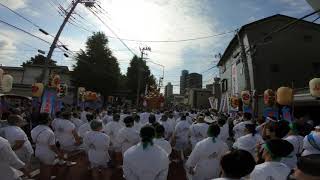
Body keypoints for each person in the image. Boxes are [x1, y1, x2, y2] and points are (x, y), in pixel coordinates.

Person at [31, 113, 63, 180]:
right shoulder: (49, 132)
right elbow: (52, 146)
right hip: (47, 153)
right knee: (48, 168)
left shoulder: (34, 129)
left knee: (42, 166)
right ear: (48, 120)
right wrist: (58, 153)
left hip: (37, 151)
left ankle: (43, 177)